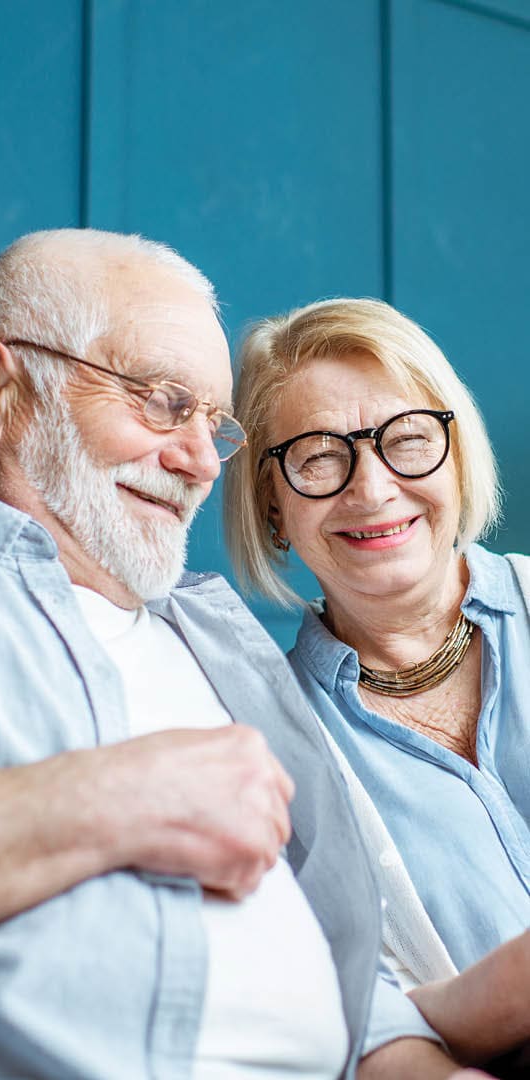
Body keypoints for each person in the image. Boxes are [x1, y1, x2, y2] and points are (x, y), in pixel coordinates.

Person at [0, 230, 484, 1080]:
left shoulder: (219, 648)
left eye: (211, 425)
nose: (196, 462)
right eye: (162, 400)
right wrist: (108, 797)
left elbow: (361, 991)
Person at [225, 296, 530, 1076]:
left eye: (408, 440)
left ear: (455, 456)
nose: (372, 488)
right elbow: (330, 1014)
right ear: (271, 505)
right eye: (320, 455)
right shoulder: (268, 752)